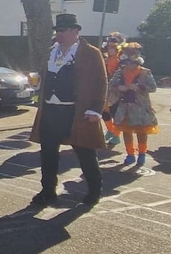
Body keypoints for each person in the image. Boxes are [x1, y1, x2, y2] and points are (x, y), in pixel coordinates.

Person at [29, 14, 107, 206]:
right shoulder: (50, 52)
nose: (59, 34)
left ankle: (94, 190)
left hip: (76, 111)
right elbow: (44, 77)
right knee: (47, 153)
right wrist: (37, 87)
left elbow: (101, 81)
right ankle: (48, 191)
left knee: (85, 152)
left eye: (63, 30)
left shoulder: (90, 52)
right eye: (57, 31)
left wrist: (96, 109)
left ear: (75, 31)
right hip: (50, 110)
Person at [107, 42, 159, 169]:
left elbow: (153, 88)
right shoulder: (120, 72)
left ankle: (142, 153)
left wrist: (140, 87)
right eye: (126, 63)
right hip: (125, 107)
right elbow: (111, 84)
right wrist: (119, 87)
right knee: (126, 131)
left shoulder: (145, 73)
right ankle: (130, 153)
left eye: (131, 63)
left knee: (141, 132)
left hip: (141, 108)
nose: (128, 66)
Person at [99, 32, 125, 148]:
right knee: (104, 110)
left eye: (113, 47)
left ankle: (116, 134)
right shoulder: (105, 58)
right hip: (106, 88)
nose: (110, 49)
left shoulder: (123, 59)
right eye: (109, 47)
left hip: (118, 89)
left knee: (116, 112)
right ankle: (110, 130)